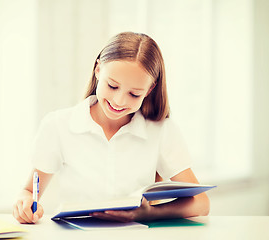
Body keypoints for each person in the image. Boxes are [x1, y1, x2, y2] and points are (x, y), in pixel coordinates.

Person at [13, 32, 210, 224]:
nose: (119, 101)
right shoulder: (58, 125)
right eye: (113, 86)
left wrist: (148, 213)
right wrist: (25, 203)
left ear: (150, 89)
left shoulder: (161, 130)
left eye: (134, 94)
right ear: (98, 69)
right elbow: (29, 191)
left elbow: (201, 203)